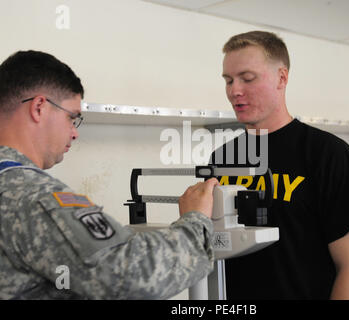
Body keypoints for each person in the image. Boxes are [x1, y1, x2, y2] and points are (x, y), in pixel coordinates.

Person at [0, 50, 219, 299]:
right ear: (39, 107)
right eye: (72, 118)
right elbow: (134, 277)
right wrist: (196, 221)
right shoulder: (34, 197)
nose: (74, 133)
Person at [211, 31, 349, 299]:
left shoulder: (329, 155)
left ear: (282, 78)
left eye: (247, 78)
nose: (234, 90)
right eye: (228, 80)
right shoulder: (221, 159)